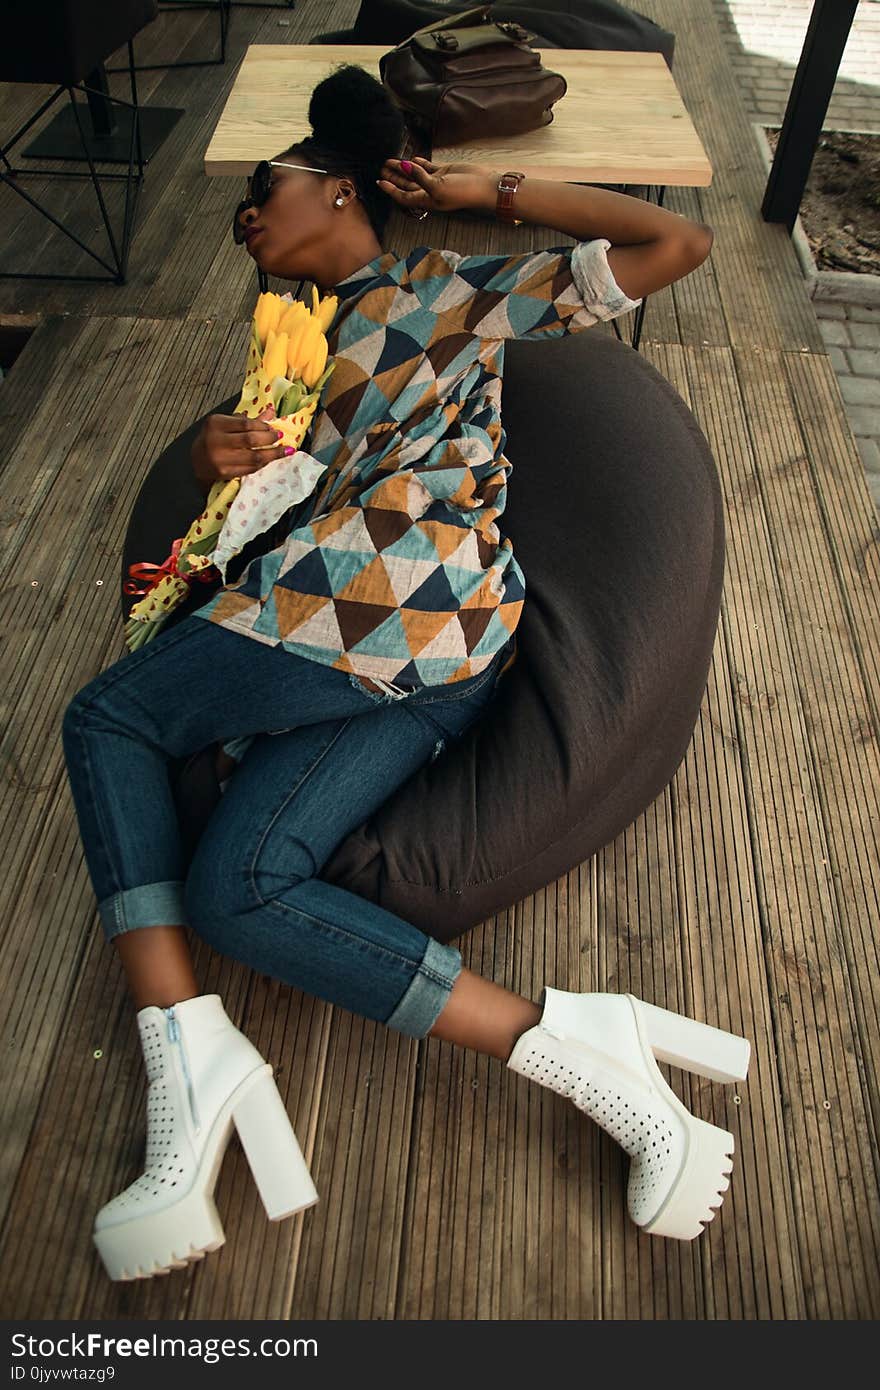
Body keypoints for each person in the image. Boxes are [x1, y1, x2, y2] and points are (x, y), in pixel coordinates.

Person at [63, 66, 749, 1283]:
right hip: (430, 666)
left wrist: (487, 189)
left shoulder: (443, 291)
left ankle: (180, 1044)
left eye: (262, 190)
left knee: (110, 718)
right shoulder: (295, 350)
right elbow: (234, 521)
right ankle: (583, 1048)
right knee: (242, 887)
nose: (243, 216)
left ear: (339, 186)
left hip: (396, 592)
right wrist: (208, 452)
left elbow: (675, 239)